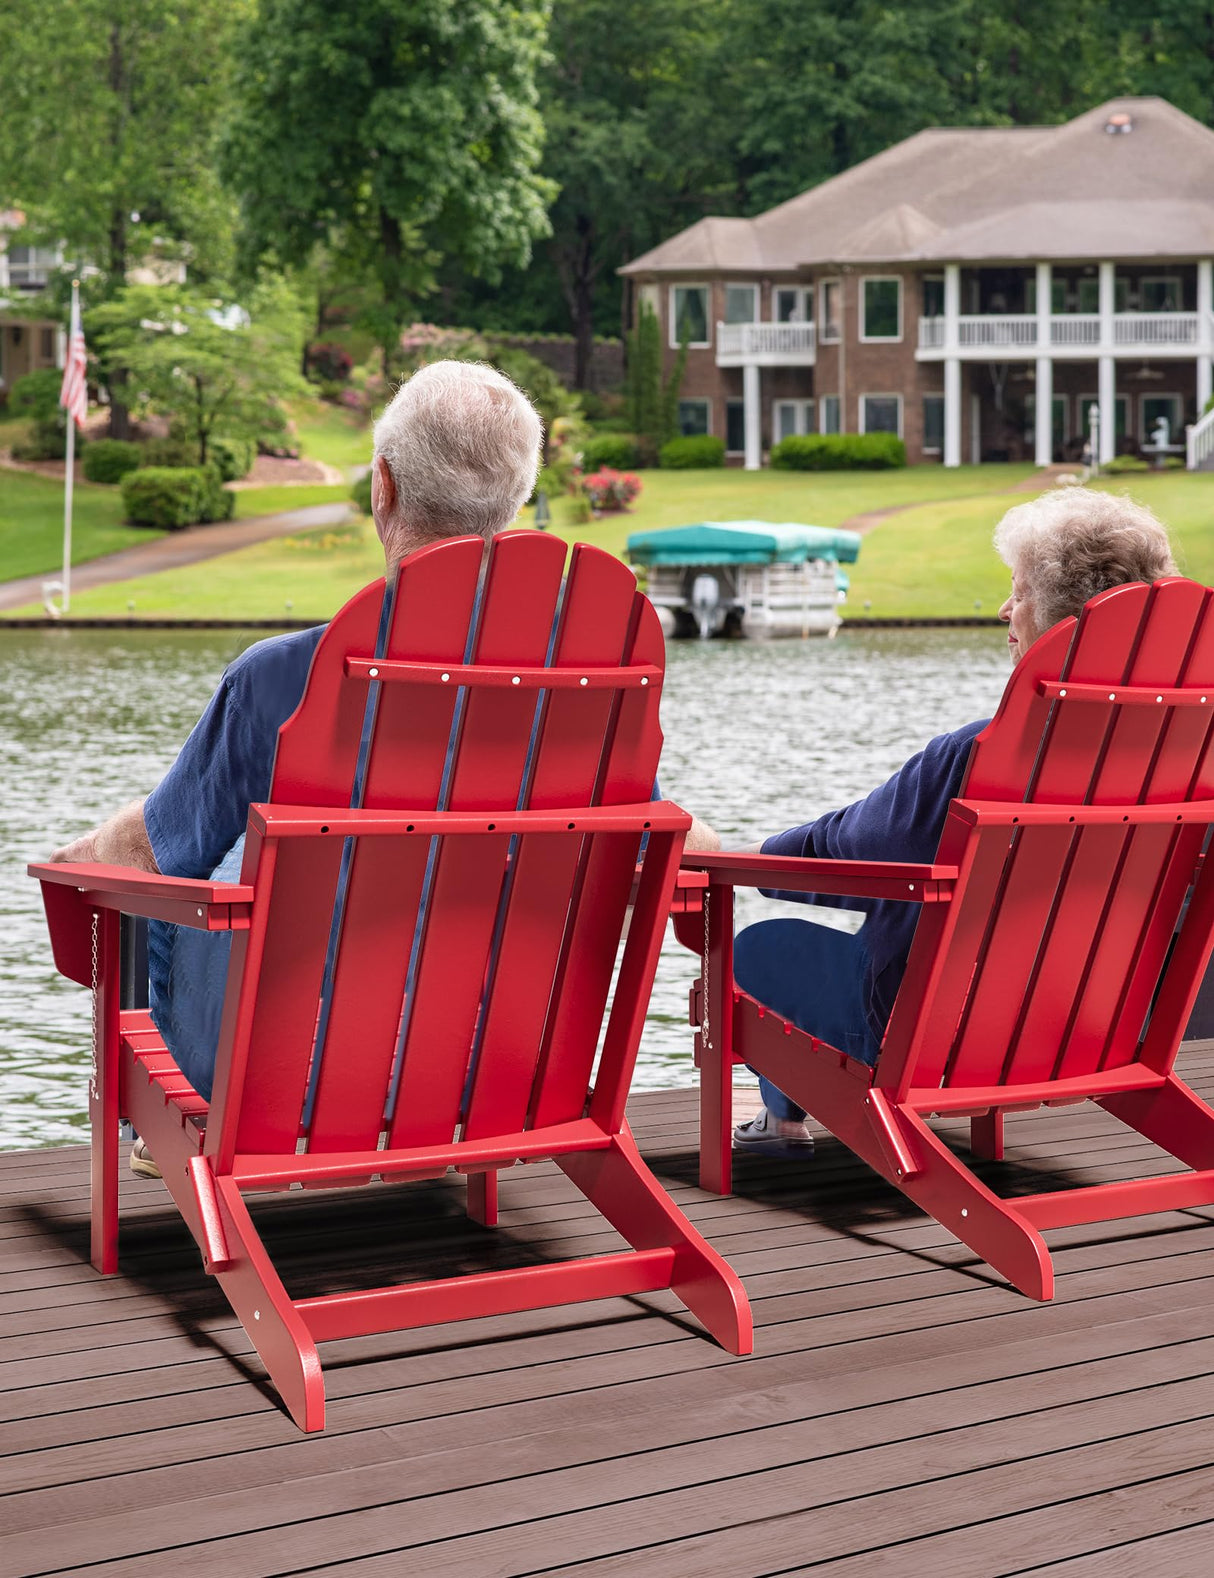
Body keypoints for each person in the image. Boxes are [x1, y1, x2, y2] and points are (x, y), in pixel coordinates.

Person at [51, 361, 545, 1176]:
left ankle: (167, 1132)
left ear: (381, 486)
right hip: (488, 1070)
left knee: (168, 877)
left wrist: (75, 861)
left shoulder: (280, 677)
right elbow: (663, 843)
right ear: (515, 504)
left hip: (289, 1081)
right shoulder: (584, 685)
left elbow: (153, 854)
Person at [685, 487, 1179, 1157]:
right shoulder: (1182, 761)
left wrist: (733, 859)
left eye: (1020, 591)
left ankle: (781, 1125)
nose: (1006, 609)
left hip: (937, 1036)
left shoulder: (980, 754)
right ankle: (781, 1118)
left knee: (757, 952)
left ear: (1064, 618)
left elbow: (849, 855)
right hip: (1099, 1023)